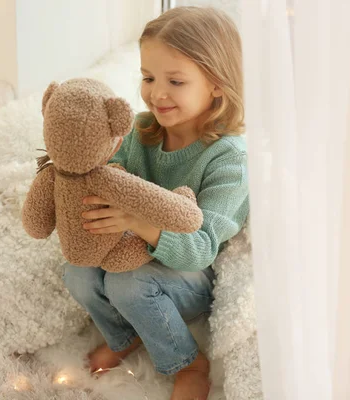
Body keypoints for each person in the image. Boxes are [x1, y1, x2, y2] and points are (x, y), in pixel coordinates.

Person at [62, 6, 248, 400]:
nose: (156, 93)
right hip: (131, 252)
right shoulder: (142, 130)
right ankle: (124, 335)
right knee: (77, 272)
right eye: (148, 77)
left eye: (176, 81)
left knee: (129, 284)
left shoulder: (228, 158)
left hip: (192, 275)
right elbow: (111, 178)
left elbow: (201, 250)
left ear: (216, 84)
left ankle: (188, 362)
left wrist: (136, 220)